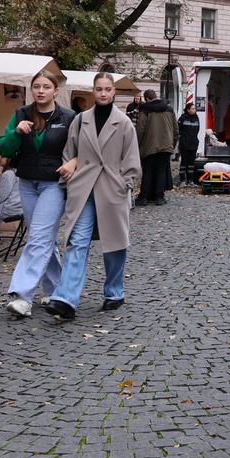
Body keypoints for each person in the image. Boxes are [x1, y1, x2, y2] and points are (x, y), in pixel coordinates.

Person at [45, 73, 142, 320]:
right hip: (85, 188)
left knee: (114, 244)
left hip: (112, 189)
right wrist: (71, 180)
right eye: (99, 89)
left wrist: (125, 185)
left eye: (107, 89)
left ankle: (114, 293)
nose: (103, 93)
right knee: (78, 241)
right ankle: (65, 298)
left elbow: (132, 160)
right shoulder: (81, 120)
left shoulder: (124, 123)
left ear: (114, 92)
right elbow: (70, 152)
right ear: (93, 91)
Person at [0, 70, 76, 318]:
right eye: (36, 87)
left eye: (46, 87)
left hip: (53, 184)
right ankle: (57, 290)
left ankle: (22, 295)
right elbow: (2, 147)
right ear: (31, 90)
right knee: (43, 238)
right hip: (27, 182)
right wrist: (15, 133)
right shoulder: (21, 114)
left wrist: (73, 162)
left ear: (55, 91)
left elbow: (83, 148)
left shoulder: (69, 117)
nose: (41, 91)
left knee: (39, 237)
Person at [135, 89, 176, 206]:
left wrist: (137, 144)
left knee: (148, 172)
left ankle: (144, 197)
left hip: (149, 146)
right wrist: (172, 143)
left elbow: (140, 129)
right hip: (166, 146)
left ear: (147, 98)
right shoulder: (169, 109)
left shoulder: (145, 109)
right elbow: (175, 128)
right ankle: (160, 197)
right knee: (162, 172)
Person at [177, 102, 201, 184]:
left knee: (191, 163)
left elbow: (197, 130)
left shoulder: (196, 118)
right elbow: (178, 130)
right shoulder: (182, 118)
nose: (194, 110)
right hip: (184, 144)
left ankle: (190, 180)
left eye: (195, 109)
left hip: (193, 144)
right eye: (193, 109)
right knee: (184, 162)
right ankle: (182, 180)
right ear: (188, 110)